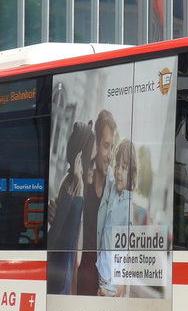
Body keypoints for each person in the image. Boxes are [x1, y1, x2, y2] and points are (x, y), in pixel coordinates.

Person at [46, 122, 94, 296]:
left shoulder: (74, 186)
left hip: (63, 277)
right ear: (81, 159)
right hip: (60, 279)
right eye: (92, 161)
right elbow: (63, 244)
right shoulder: (73, 186)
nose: (93, 167)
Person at [78, 109, 117, 297]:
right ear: (96, 144)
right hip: (81, 269)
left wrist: (109, 285)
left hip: (102, 276)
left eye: (112, 147)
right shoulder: (83, 176)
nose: (109, 155)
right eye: (105, 146)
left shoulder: (114, 186)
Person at [96, 138, 136, 297]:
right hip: (102, 272)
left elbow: (127, 251)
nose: (119, 171)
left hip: (111, 280)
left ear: (132, 174)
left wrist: (120, 285)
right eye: (117, 165)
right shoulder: (114, 189)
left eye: (124, 168)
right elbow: (110, 174)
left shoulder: (127, 207)